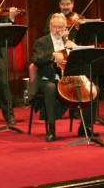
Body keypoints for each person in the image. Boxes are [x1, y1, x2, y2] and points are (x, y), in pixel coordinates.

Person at [31, 13, 75, 141]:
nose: (57, 30)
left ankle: (86, 127)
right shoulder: (41, 42)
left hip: (65, 80)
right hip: (46, 79)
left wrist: (75, 50)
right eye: (55, 27)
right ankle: (51, 130)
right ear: (50, 26)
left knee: (90, 88)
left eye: (60, 27)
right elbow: (36, 60)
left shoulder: (68, 42)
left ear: (65, 28)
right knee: (50, 88)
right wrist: (53, 55)